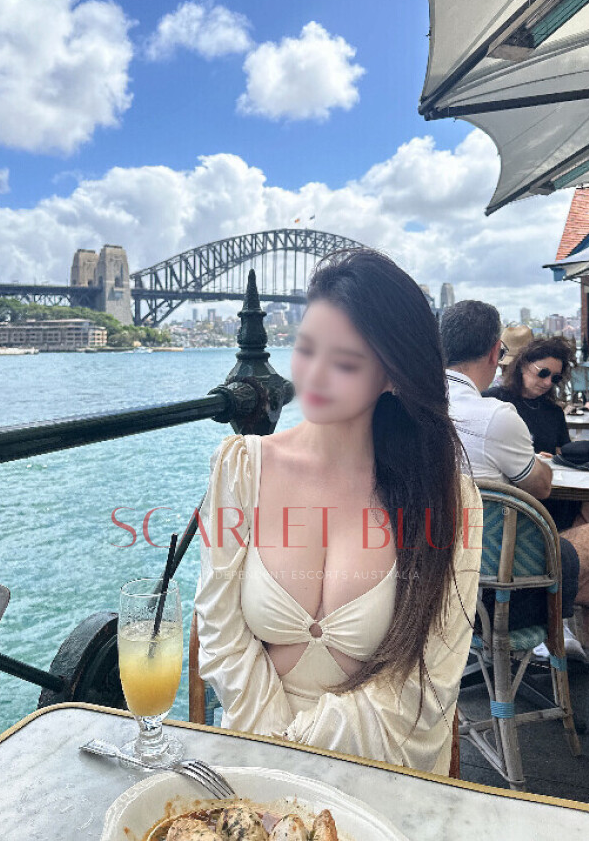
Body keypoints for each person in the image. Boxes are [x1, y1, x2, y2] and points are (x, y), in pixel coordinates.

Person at [194, 248, 483, 774]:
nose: (314, 376)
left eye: (345, 362)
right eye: (306, 348)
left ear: (393, 376)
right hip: (259, 760)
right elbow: (219, 631)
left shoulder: (449, 497)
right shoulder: (241, 467)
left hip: (383, 765)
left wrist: (303, 750)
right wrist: (277, 755)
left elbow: (431, 676)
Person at [440, 300, 589, 783]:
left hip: (444, 588)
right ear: (497, 353)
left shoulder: (408, 408)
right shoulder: (496, 415)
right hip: (504, 589)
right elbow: (540, 485)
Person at [489, 335, 589, 547]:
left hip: (554, 495)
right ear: (523, 364)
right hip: (516, 501)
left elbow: (563, 453)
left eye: (555, 378)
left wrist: (555, 458)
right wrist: (533, 459)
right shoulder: (494, 401)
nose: (547, 382)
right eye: (543, 373)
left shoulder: (553, 411)